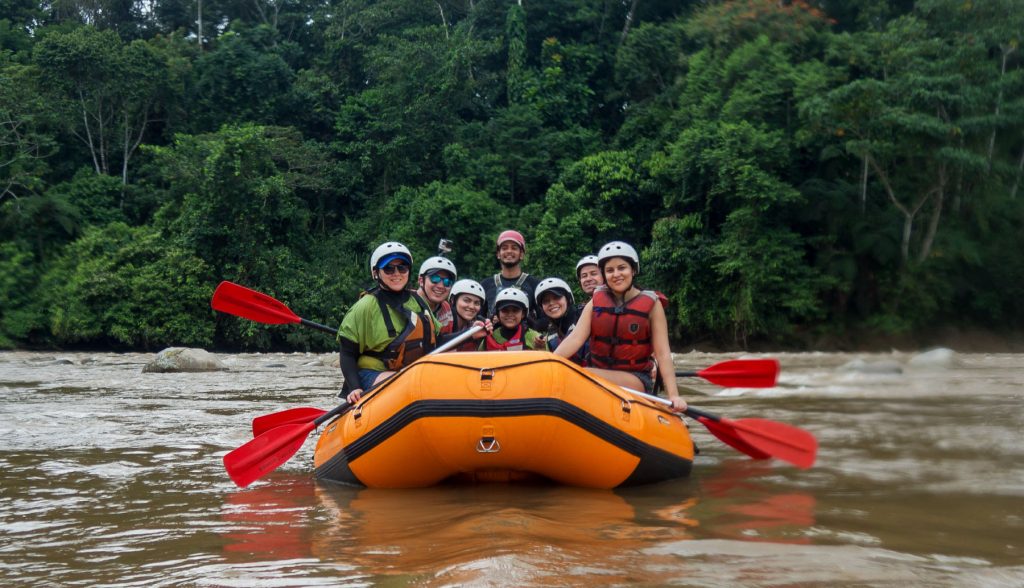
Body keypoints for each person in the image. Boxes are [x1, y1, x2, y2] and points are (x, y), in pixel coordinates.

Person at [340, 242, 486, 403]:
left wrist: (469, 334)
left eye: (402, 268)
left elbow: (436, 342)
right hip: (371, 373)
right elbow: (347, 353)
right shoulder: (365, 306)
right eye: (389, 268)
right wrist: (354, 388)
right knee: (407, 384)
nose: (397, 273)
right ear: (376, 273)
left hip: (409, 373)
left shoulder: (418, 302)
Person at [552, 241, 687, 412]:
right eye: (609, 270)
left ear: (633, 270)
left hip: (635, 379)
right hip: (598, 372)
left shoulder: (653, 305)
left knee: (580, 374)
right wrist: (551, 361)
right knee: (575, 373)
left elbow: (662, 353)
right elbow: (575, 338)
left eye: (622, 268)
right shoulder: (596, 302)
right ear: (604, 274)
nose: (616, 274)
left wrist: (673, 395)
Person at [480, 230, 542, 325]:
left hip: (525, 337)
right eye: (504, 248)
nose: (509, 251)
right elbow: (478, 318)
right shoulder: (485, 285)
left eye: (514, 248)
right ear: (498, 254)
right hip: (493, 337)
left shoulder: (534, 285)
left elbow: (544, 319)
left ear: (521, 254)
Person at [534, 277, 587, 365]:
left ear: (568, 299)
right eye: (546, 301)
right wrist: (542, 350)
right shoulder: (550, 334)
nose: (551, 303)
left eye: (557, 297)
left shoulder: (584, 316)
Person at [480, 288, 545, 351]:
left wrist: (541, 349)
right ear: (498, 313)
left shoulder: (535, 338)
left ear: (523, 314)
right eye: (505, 310)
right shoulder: (490, 336)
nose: (510, 314)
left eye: (515, 310)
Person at [416, 256, 457, 334]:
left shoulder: (446, 308)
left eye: (447, 282)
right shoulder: (406, 303)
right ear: (421, 281)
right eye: (435, 279)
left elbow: (444, 340)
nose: (441, 286)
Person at [448, 279, 487, 352]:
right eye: (466, 300)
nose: (472, 306)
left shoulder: (477, 326)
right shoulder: (442, 324)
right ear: (453, 300)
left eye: (477, 303)